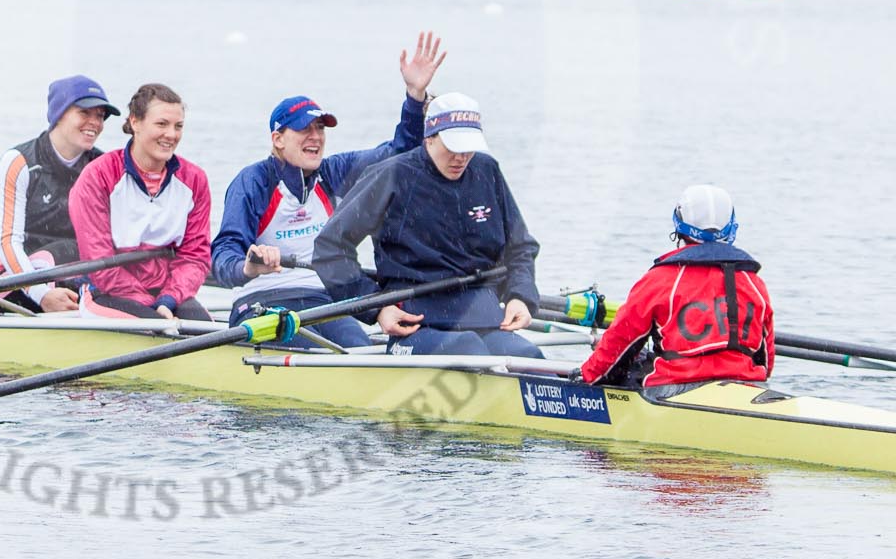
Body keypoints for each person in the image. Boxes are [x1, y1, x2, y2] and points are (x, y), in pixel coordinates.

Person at [212, 35, 444, 348]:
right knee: (328, 357)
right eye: (304, 129)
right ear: (278, 138)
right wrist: (249, 266)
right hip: (262, 303)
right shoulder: (254, 181)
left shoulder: (333, 172)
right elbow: (223, 254)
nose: (316, 137)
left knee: (358, 352)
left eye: (320, 128)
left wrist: (415, 98)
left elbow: (399, 155)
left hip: (324, 299)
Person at [312, 92, 542, 358]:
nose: (461, 157)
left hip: (484, 317)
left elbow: (520, 247)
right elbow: (330, 248)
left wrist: (520, 297)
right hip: (414, 322)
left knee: (529, 356)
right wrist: (376, 308)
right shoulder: (392, 175)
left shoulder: (486, 170)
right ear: (429, 137)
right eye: (453, 147)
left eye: (468, 148)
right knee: (467, 351)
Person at [577, 186, 774, 391]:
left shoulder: (659, 280)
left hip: (673, 389)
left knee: (625, 366)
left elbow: (618, 344)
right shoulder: (754, 283)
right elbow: (766, 365)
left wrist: (585, 377)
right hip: (745, 386)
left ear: (679, 225)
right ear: (731, 226)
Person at [68, 83, 212, 322]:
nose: (172, 135)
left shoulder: (194, 180)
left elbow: (195, 257)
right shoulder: (98, 176)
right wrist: (151, 306)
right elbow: (99, 263)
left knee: (204, 329)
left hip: (168, 294)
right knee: (157, 328)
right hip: (105, 291)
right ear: (135, 122)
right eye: (162, 124)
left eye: (178, 126)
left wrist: (168, 299)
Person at [0, 75, 119, 310]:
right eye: (85, 113)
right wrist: (41, 295)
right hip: (8, 282)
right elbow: (8, 243)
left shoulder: (102, 166)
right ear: (59, 113)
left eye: (100, 116)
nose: (95, 123)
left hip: (69, 275)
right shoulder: (19, 162)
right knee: (69, 249)